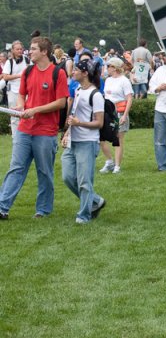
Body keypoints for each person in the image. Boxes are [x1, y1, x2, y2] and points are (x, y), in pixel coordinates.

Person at [0, 36, 69, 220]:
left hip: (45, 132)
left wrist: (35, 110)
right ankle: (2, 207)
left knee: (44, 172)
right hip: (25, 129)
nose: (29, 52)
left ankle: (43, 210)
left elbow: (61, 102)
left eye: (33, 49)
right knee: (16, 168)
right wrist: (21, 107)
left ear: (44, 52)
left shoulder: (58, 73)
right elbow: (22, 95)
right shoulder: (28, 71)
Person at [61, 60, 106, 223]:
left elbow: (99, 123)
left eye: (76, 70)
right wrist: (66, 133)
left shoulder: (96, 95)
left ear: (85, 73)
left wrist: (79, 123)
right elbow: (73, 116)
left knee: (84, 181)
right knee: (67, 176)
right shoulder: (78, 90)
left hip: (87, 142)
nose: (72, 72)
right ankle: (96, 201)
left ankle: (84, 215)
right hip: (73, 141)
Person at [98, 58, 132, 174]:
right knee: (101, 138)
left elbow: (129, 99)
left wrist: (125, 115)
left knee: (118, 139)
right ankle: (109, 161)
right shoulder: (108, 80)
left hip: (119, 111)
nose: (106, 68)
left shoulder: (124, 81)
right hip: (107, 112)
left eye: (109, 66)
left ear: (115, 67)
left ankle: (117, 166)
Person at [1, 40, 28, 135]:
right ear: (12, 50)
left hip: (26, 91)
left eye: (21, 49)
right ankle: (15, 136)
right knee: (14, 114)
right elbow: (5, 76)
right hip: (13, 90)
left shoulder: (27, 60)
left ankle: (25, 134)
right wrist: (19, 76)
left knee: (26, 113)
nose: (20, 51)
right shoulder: (9, 62)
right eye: (17, 49)